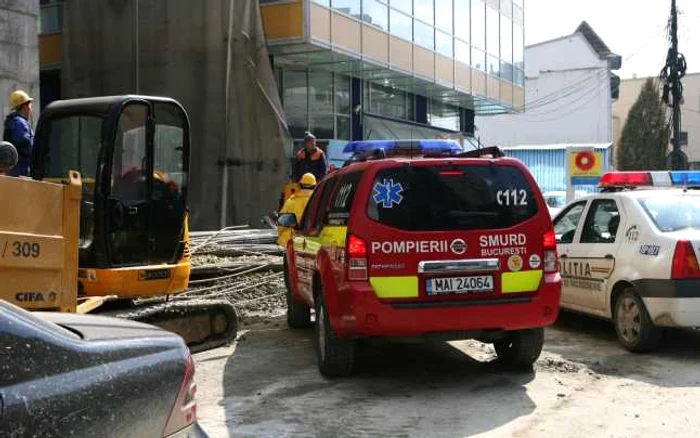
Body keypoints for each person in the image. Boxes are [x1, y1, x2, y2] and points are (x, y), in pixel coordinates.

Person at [277, 173, 317, 247]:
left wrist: (280, 235)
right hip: (313, 241)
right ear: (315, 186)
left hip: (292, 240)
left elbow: (281, 223)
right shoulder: (319, 201)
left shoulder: (291, 202)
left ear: (300, 185)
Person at [3, 90, 34, 177]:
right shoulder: (19, 122)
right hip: (21, 170)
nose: (30, 108)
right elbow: (26, 145)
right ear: (25, 105)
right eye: (29, 105)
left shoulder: (15, 121)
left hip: (16, 170)